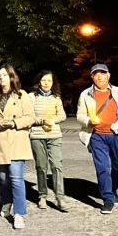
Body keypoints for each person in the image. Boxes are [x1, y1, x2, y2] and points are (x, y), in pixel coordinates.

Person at [0, 65, 35, 230]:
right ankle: (6, 202)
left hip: (16, 140)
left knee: (16, 178)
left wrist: (14, 122)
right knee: (3, 178)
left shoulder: (21, 95)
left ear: (11, 76)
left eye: (4, 75)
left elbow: (30, 117)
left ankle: (19, 213)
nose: (1, 78)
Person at [76, 64, 118, 214]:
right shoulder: (85, 94)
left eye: (103, 73)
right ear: (92, 77)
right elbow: (79, 115)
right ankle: (108, 199)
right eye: (96, 74)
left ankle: (112, 189)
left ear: (108, 75)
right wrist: (88, 121)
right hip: (96, 136)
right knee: (102, 168)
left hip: (116, 135)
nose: (100, 76)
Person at [29, 71, 68, 211]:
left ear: (53, 83)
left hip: (54, 135)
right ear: (39, 81)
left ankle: (60, 197)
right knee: (41, 166)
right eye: (44, 80)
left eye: (49, 81)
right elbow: (28, 115)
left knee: (57, 165)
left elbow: (62, 115)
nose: (46, 83)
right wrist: (39, 121)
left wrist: (53, 120)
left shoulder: (56, 98)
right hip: (37, 135)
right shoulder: (31, 97)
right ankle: (42, 196)